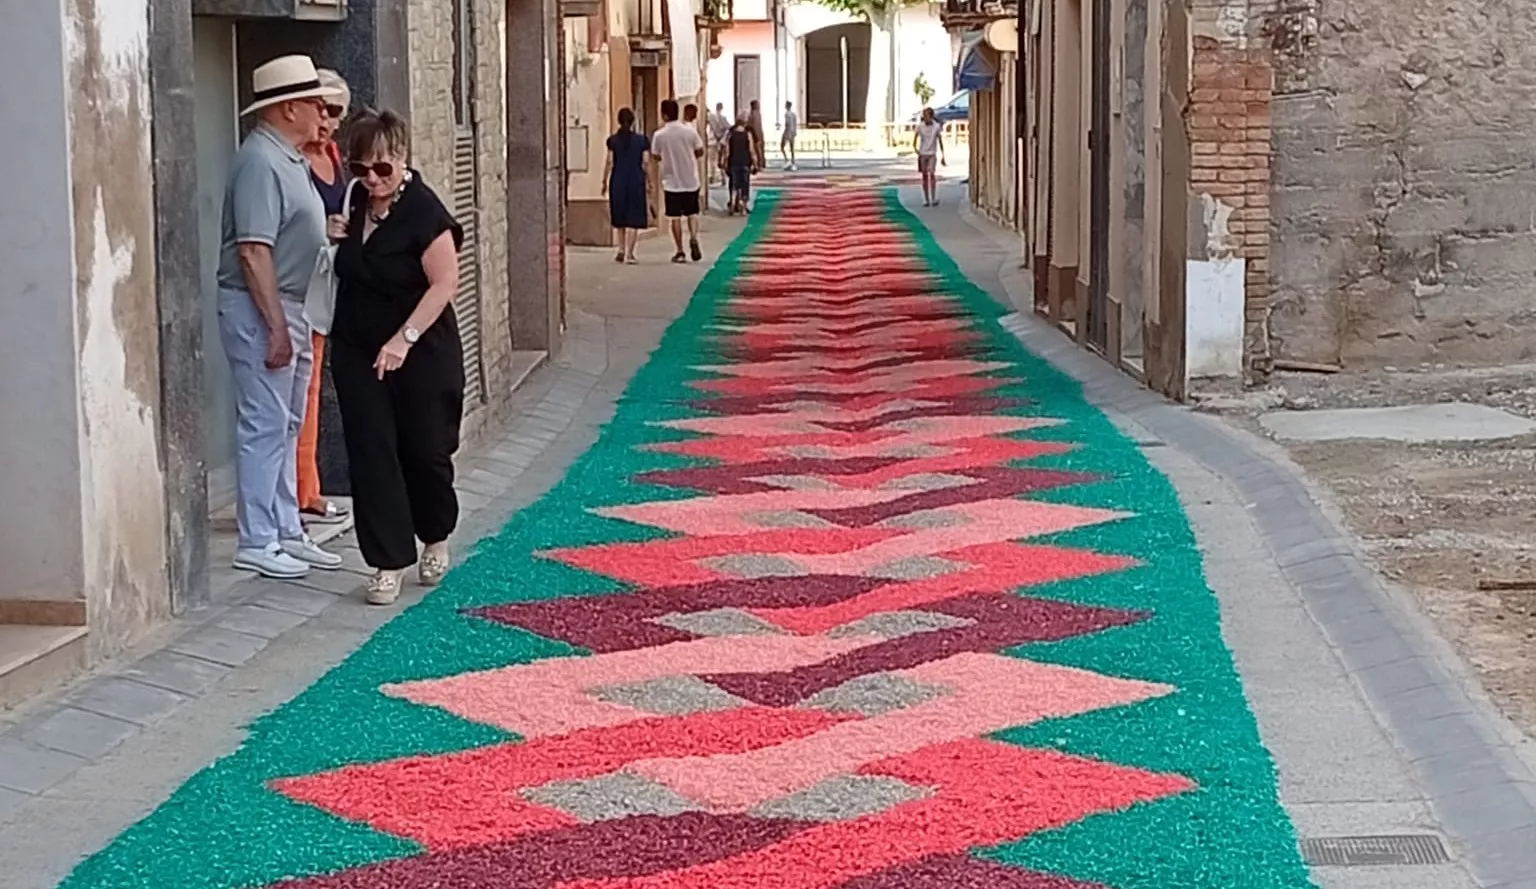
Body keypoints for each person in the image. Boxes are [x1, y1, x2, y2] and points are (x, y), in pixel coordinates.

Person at [328, 110, 466, 605]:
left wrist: (403, 339)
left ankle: (435, 533)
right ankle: (387, 562)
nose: (372, 178)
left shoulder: (424, 211)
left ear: (402, 158)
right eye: (361, 168)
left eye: (382, 168)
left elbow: (444, 283)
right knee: (371, 451)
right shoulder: (355, 202)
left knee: (424, 451)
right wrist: (335, 233)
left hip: (421, 349)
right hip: (357, 347)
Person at [217, 55, 345, 579]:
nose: (325, 114)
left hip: (294, 303)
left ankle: (286, 527)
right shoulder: (260, 161)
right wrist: (274, 327)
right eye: (317, 103)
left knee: (287, 421)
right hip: (263, 306)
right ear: (289, 107)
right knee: (265, 422)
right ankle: (258, 538)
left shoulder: (286, 158)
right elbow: (253, 250)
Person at [296, 67, 352, 528]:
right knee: (301, 391)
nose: (328, 121)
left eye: (336, 113)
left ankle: (308, 486)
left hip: (332, 283)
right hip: (300, 286)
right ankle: (301, 490)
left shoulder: (333, 155)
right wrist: (322, 229)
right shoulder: (292, 160)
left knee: (315, 387)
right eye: (323, 109)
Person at [650, 98, 705, 264]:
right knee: (692, 213)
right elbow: (700, 151)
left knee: (674, 217)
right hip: (690, 179)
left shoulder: (659, 135)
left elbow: (655, 155)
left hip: (671, 182)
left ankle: (680, 251)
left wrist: (667, 158)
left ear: (664, 115)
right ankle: (694, 237)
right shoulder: (689, 132)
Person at [601, 107, 650, 264]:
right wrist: (649, 181)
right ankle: (630, 254)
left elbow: (609, 162)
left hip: (618, 180)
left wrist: (604, 181)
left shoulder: (612, 141)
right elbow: (645, 163)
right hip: (636, 180)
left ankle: (621, 249)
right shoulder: (642, 141)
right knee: (633, 219)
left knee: (619, 216)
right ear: (633, 121)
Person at [725, 111, 757, 214]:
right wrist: (755, 163)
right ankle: (743, 206)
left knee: (734, 183)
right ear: (744, 123)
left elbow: (727, 151)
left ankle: (732, 203)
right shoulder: (747, 135)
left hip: (733, 162)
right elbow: (751, 150)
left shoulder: (731, 134)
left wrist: (725, 162)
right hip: (745, 162)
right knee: (745, 184)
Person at [914, 106, 946, 207]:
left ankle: (933, 198)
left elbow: (940, 140)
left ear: (931, 116)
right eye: (924, 116)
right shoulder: (920, 126)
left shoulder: (936, 126)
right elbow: (915, 139)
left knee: (931, 173)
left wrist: (943, 155)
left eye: (927, 116)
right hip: (923, 154)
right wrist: (916, 149)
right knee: (924, 175)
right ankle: (926, 199)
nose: (925, 118)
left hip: (932, 153)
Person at [708, 102, 731, 184]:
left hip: (712, 141)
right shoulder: (723, 118)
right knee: (721, 159)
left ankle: (712, 176)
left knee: (712, 160)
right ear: (721, 108)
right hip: (721, 142)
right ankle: (723, 177)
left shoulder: (711, 117)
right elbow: (729, 128)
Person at [748, 99, 767, 169]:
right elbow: (752, 126)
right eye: (757, 105)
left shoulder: (758, 114)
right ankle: (759, 164)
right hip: (755, 135)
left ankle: (761, 163)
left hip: (759, 134)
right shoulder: (751, 115)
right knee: (757, 150)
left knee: (760, 150)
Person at [780, 101, 799, 171]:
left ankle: (787, 160)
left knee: (782, 147)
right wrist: (794, 132)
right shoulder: (794, 114)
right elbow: (795, 124)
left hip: (787, 132)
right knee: (792, 148)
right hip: (792, 132)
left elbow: (787, 124)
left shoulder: (787, 114)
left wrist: (786, 132)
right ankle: (792, 161)